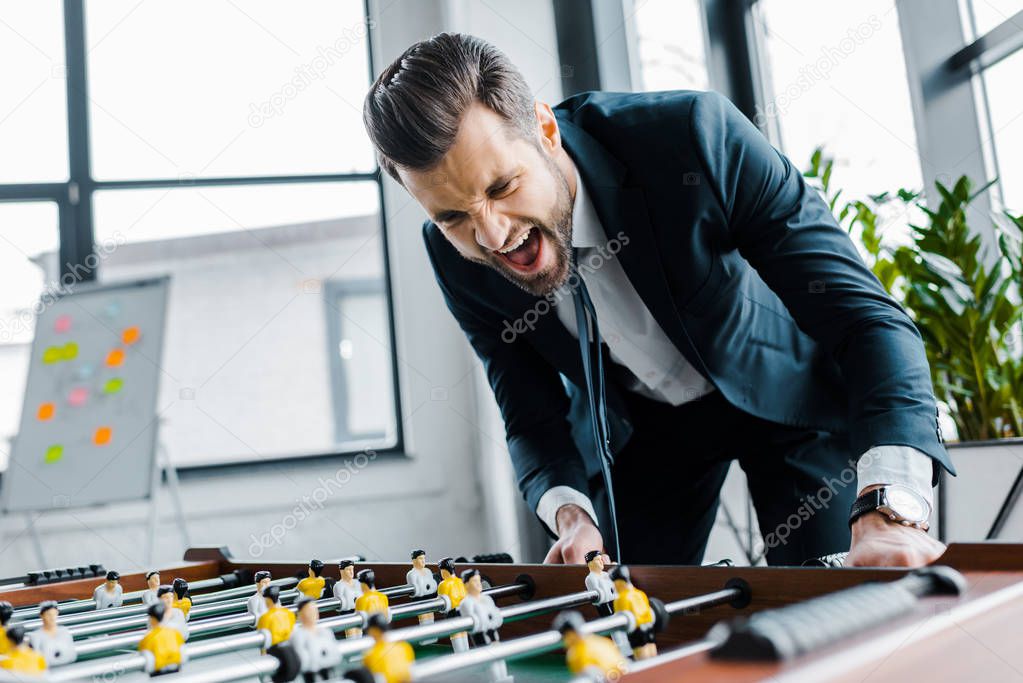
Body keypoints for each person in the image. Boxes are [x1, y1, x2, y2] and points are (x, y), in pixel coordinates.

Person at [362, 33, 950, 568]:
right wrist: (570, 515)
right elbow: (529, 412)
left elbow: (867, 319)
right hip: (648, 431)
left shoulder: (693, 136)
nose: (492, 236)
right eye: (454, 216)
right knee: (627, 618)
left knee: (840, 602)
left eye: (501, 187)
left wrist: (891, 509)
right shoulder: (451, 257)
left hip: (787, 395)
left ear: (545, 129)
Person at [553, 610, 627, 682]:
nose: (564, 641)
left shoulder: (576, 654)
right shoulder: (601, 641)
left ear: (570, 634)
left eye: (564, 636)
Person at [289, 596, 341, 682]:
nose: (313, 613)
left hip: (327, 669)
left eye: (315, 610)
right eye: (309, 611)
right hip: (309, 674)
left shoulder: (326, 632)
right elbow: (301, 659)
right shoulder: (298, 635)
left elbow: (336, 654)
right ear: (300, 614)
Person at [137, 603, 185, 675]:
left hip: (158, 670)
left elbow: (144, 653)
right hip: (175, 668)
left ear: (152, 619)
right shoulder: (175, 632)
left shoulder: (148, 637)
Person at [436, 557, 469, 653]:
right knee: (463, 632)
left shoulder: (443, 584)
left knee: (456, 634)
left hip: (452, 613)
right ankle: (467, 656)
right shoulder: (461, 581)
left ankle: (460, 657)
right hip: (463, 611)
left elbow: (441, 605)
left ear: (444, 571)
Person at [27, 601, 76, 666]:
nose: (52, 618)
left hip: (66, 667)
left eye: (54, 614)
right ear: (41, 615)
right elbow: (37, 659)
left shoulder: (64, 631)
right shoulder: (35, 636)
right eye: (48, 615)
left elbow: (72, 654)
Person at [334, 560, 363, 638]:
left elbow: (362, 596)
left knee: (359, 634)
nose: (351, 572)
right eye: (348, 569)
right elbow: (341, 605)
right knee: (351, 636)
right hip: (347, 614)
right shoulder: (339, 586)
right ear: (342, 571)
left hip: (358, 611)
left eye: (352, 569)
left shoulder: (357, 583)